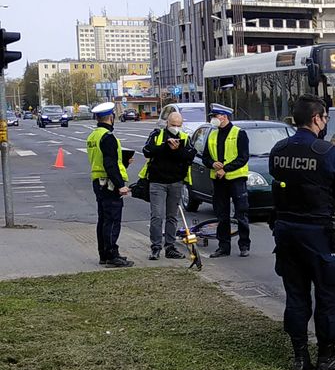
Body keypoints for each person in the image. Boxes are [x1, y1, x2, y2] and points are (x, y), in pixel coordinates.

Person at [269, 94, 335, 370]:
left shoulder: (279, 149)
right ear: (317, 118)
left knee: (296, 294)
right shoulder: (326, 152)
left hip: (286, 232)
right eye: (325, 118)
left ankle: (299, 357)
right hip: (319, 233)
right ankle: (327, 357)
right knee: (327, 295)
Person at [140, 111, 196, 260]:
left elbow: (190, 155)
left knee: (172, 217)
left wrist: (178, 149)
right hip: (157, 181)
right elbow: (147, 151)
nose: (175, 128)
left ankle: (170, 247)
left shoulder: (185, 137)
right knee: (157, 216)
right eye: (173, 125)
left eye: (178, 125)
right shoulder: (157, 135)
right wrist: (165, 147)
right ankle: (156, 247)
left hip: (175, 182)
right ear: (167, 123)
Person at [87, 102, 133, 268]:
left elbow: (102, 159)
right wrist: (120, 184)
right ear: (111, 118)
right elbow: (109, 163)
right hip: (108, 183)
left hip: (98, 182)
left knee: (103, 220)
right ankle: (112, 255)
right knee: (113, 220)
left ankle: (104, 254)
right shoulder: (108, 137)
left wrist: (124, 161)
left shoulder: (94, 136)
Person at [202, 103, 251, 258]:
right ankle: (224, 247)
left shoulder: (239, 133)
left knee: (241, 213)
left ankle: (244, 245)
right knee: (221, 215)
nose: (213, 120)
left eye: (216, 116)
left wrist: (226, 169)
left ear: (224, 117)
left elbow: (243, 157)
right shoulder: (212, 134)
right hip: (218, 180)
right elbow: (205, 157)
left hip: (236, 179)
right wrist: (212, 164)